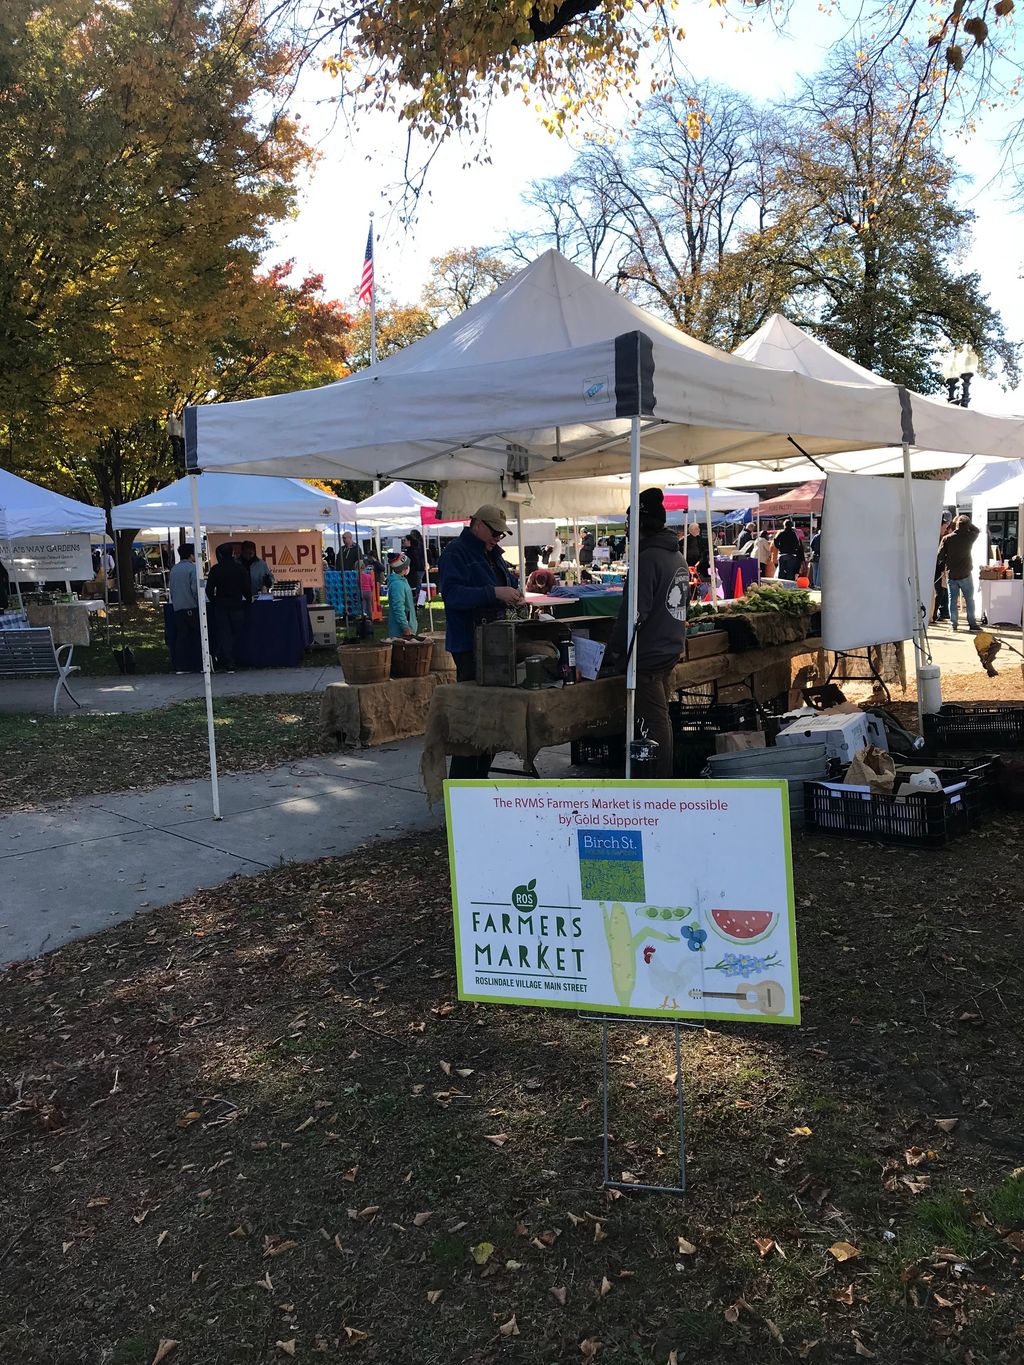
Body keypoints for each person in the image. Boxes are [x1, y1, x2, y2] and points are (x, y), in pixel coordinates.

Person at [607, 489, 688, 778]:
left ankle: (659, 785)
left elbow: (632, 615)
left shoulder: (648, 559)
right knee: (658, 718)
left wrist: (613, 651)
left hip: (648, 655)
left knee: (655, 722)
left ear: (639, 524)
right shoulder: (675, 555)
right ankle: (658, 778)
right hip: (668, 648)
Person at [437, 504, 523, 778]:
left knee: (492, 719)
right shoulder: (456, 553)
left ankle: (478, 778)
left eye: (501, 535)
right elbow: (453, 596)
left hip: (494, 643)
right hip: (469, 645)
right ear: (477, 525)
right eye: (494, 532)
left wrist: (513, 589)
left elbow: (505, 581)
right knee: (473, 719)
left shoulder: (492, 554)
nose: (498, 538)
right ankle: (464, 785)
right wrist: (494, 592)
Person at [206, 542, 252, 672]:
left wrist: (214, 601)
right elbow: (246, 588)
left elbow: (209, 590)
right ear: (232, 553)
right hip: (236, 605)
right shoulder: (240, 568)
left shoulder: (216, 569)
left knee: (225, 632)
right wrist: (248, 600)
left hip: (221, 605)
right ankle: (227, 656)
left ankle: (226, 658)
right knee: (235, 632)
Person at [938, 513, 981, 630]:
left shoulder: (947, 538)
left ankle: (954, 625)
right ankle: (972, 624)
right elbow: (977, 530)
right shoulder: (970, 537)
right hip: (966, 573)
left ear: (956, 525)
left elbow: (940, 557)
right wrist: (965, 522)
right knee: (969, 600)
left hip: (952, 574)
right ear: (967, 526)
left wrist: (948, 560)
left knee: (952, 601)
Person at [168, 544, 200, 674]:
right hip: (191, 606)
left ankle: (181, 665)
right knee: (196, 637)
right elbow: (195, 589)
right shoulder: (192, 569)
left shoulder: (174, 569)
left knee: (181, 637)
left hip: (178, 608)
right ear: (191, 554)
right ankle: (197, 664)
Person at [387, 552, 418, 638]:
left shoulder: (402, 582)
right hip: (401, 632)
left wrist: (414, 599)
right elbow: (398, 607)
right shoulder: (398, 585)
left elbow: (405, 601)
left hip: (407, 628)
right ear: (404, 568)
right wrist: (405, 626)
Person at [406, 528, 426, 598]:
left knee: (417, 585)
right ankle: (420, 600)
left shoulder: (417, 545)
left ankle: (419, 600)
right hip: (421, 567)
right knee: (418, 584)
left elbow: (417, 557)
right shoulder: (421, 544)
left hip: (418, 567)